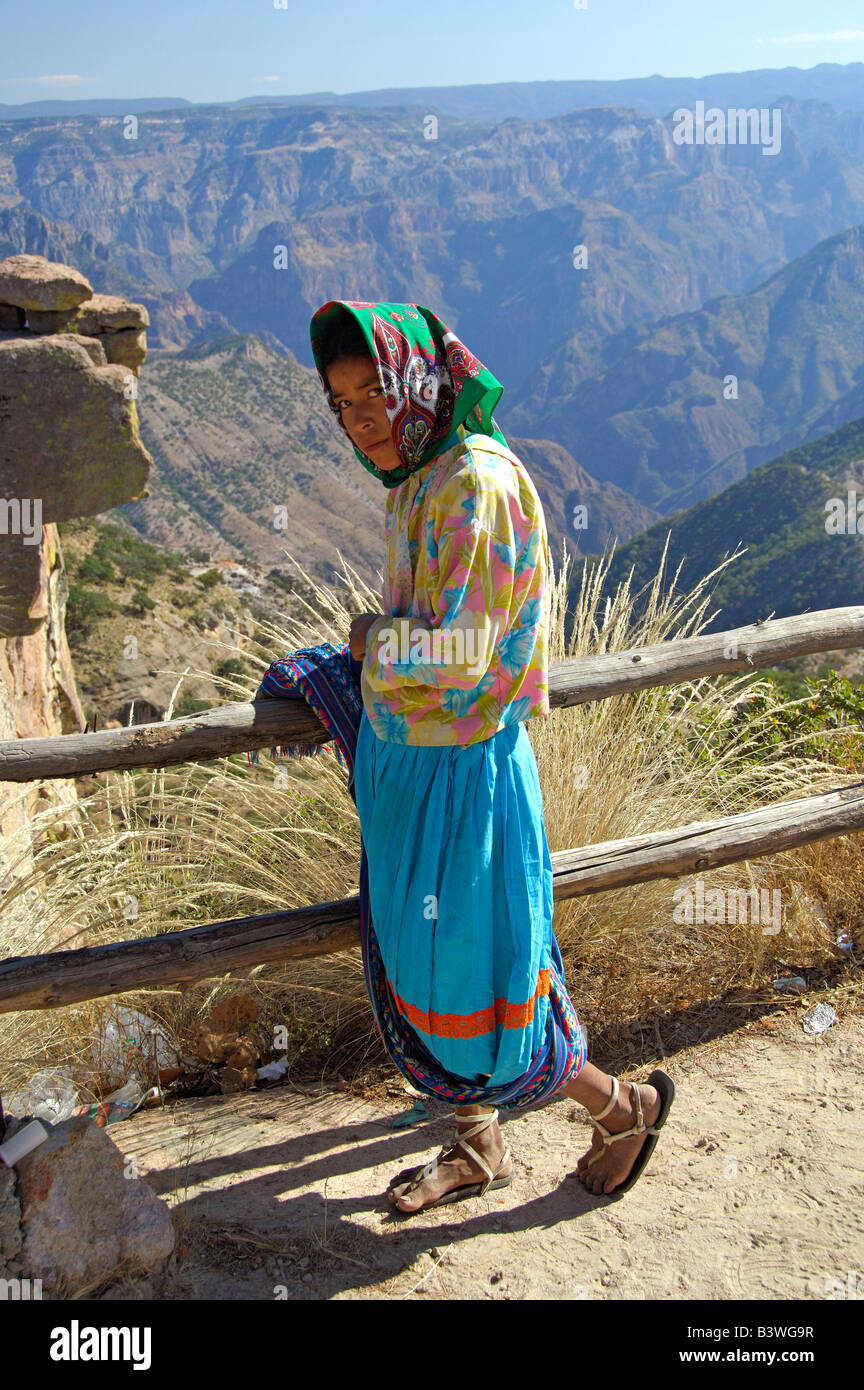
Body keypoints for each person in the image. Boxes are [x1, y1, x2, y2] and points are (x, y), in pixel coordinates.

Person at [306, 299, 675, 1215]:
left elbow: (467, 657)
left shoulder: (475, 482)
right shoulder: (420, 476)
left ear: (418, 385)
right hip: (414, 769)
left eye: (374, 394)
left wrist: (369, 644)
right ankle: (477, 1147)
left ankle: (624, 1107)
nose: (360, 419)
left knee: (481, 989)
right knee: (420, 969)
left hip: (462, 779)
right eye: (342, 401)